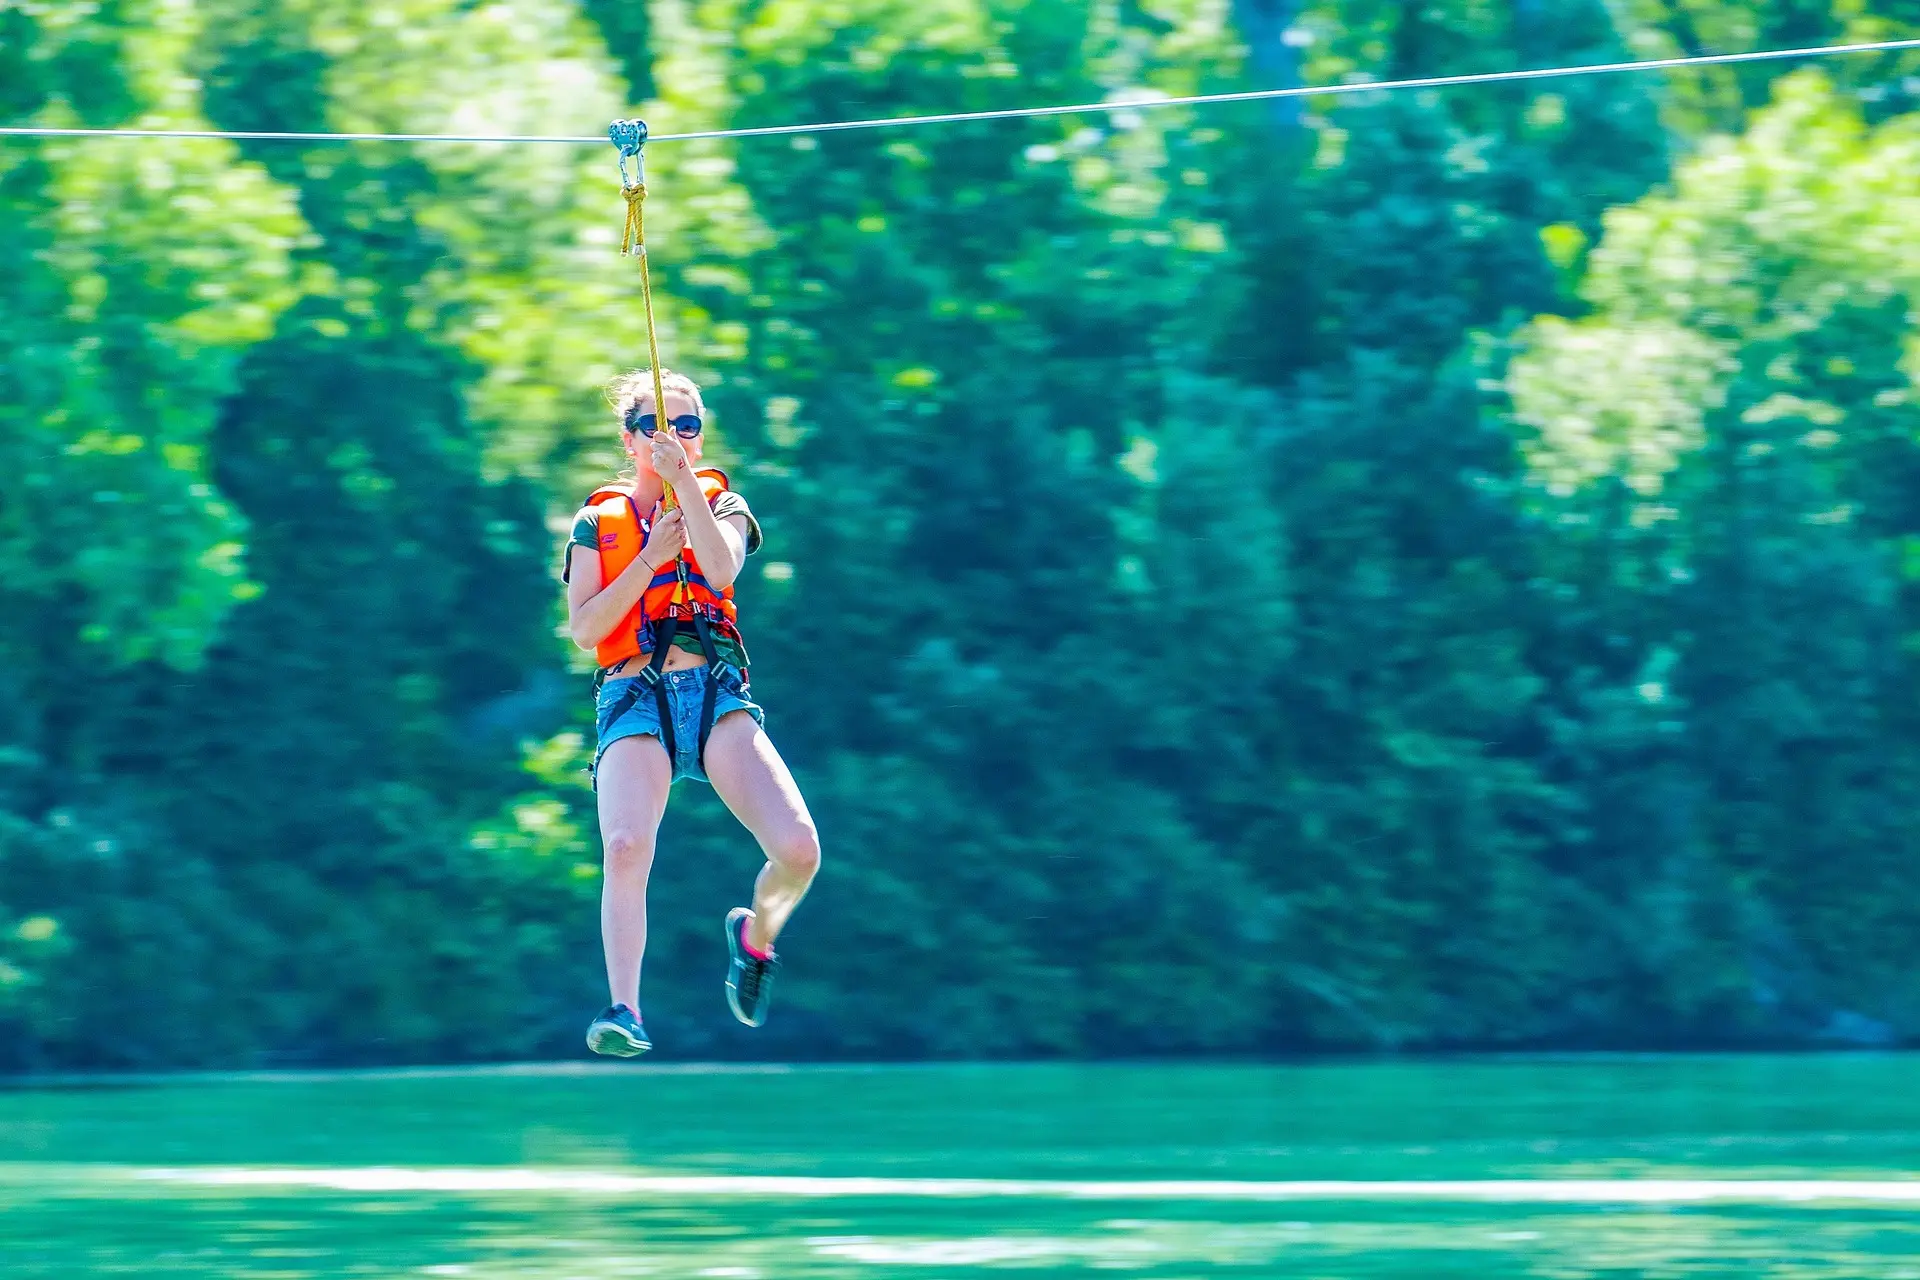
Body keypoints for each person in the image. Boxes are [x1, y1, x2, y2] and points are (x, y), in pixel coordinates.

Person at [562, 368, 821, 1056]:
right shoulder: (597, 524)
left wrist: (687, 496)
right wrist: (649, 558)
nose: (670, 437)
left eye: (685, 426)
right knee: (624, 845)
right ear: (629, 440)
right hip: (633, 691)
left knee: (798, 852)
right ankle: (625, 1008)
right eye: (654, 426)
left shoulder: (723, 504)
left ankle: (754, 938)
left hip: (711, 692)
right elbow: (586, 628)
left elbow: (720, 570)